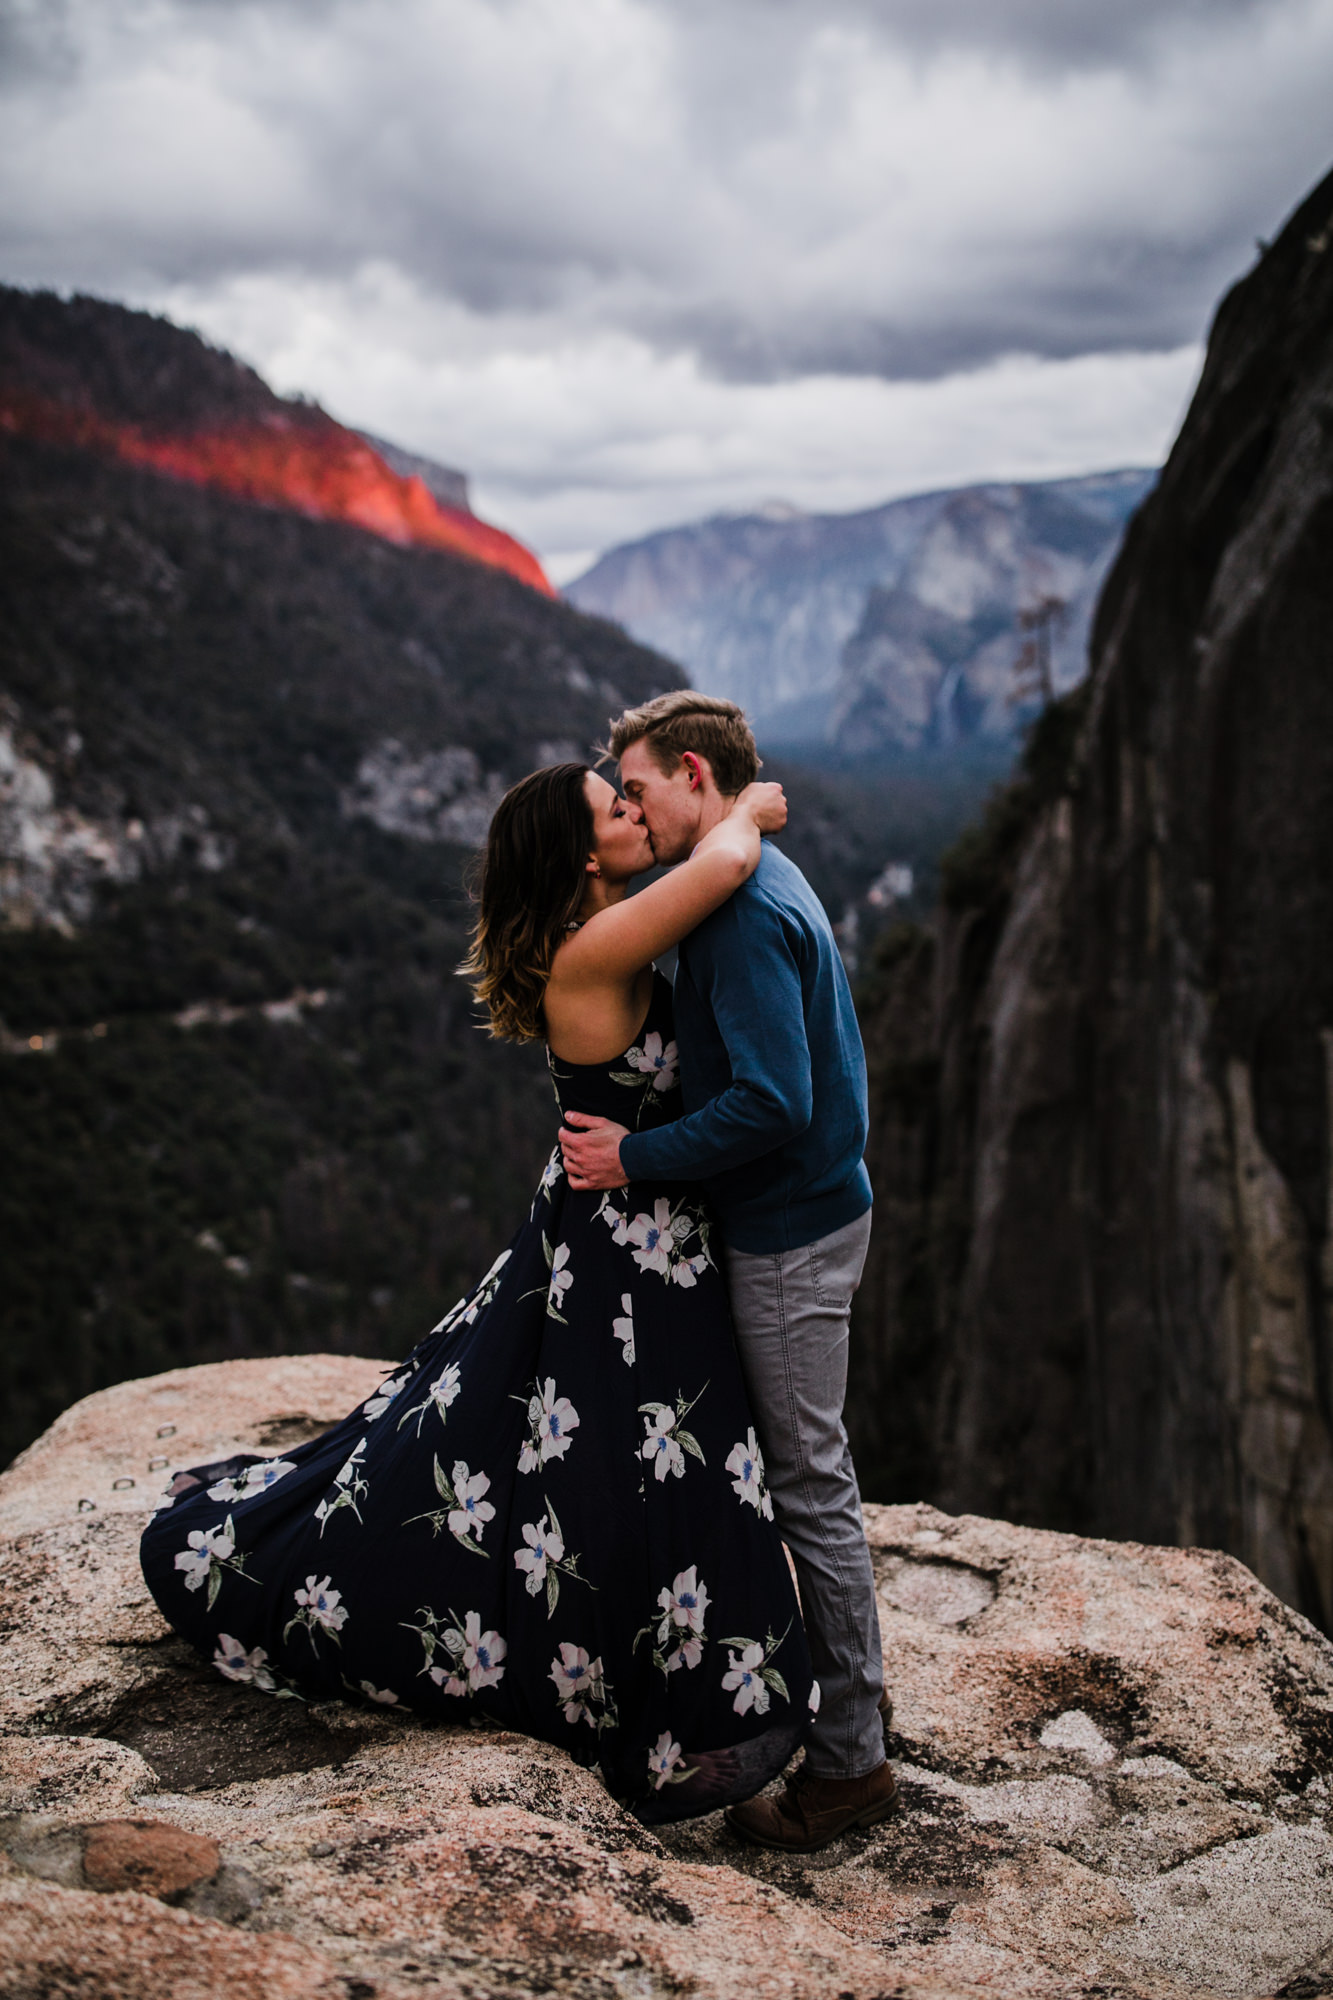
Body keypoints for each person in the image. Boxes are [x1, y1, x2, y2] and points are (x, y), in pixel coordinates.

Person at [139, 761, 814, 1826]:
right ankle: (654, 1682)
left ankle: (660, 1670)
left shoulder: (599, 934)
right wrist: (750, 807)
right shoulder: (591, 950)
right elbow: (728, 857)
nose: (636, 811)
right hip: (626, 1245)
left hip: (634, 1225)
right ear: (587, 857)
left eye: (630, 794)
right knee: (643, 1457)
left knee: (625, 1453)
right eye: (615, 805)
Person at [559, 691, 896, 1853]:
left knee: (807, 1480)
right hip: (795, 1215)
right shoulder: (736, 871)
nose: (632, 808)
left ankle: (850, 1762)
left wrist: (634, 1154)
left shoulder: (742, 907)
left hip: (791, 1231)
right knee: (780, 1472)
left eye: (639, 787)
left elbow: (773, 1099)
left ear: (692, 773)